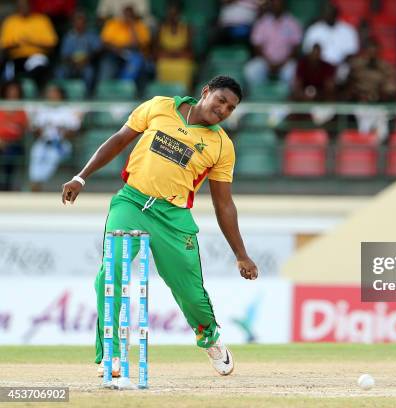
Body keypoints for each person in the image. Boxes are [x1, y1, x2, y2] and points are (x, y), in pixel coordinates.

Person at [61, 75, 258, 378]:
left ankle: (210, 338)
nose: (223, 110)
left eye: (230, 108)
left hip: (173, 216)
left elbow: (224, 204)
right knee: (110, 273)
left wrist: (241, 254)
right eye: (221, 100)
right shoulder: (159, 106)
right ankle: (111, 354)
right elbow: (118, 140)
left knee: (191, 292)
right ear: (205, 92)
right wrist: (80, 177)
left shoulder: (221, 145)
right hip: (132, 203)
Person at [29, 84, 82, 192]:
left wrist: (63, 132)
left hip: (61, 144)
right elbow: (35, 128)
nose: (51, 96)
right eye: (50, 93)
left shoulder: (68, 109)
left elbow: (74, 130)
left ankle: (38, 184)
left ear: (61, 95)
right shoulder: (43, 109)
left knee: (51, 156)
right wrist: (40, 130)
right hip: (44, 142)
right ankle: (34, 182)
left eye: (54, 93)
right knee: (36, 153)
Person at [0, 0, 58, 93]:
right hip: (16, 59)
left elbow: (52, 44)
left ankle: (40, 95)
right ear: (17, 7)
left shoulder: (41, 20)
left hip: (36, 57)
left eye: (26, 5)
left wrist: (31, 42)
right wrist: (18, 43)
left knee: (41, 67)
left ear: (30, 6)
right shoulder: (10, 22)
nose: (23, 8)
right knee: (7, 71)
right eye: (21, 6)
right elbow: (4, 46)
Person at [244, 0, 302, 88]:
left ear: (284, 5)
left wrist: (282, 63)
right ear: (271, 5)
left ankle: (286, 98)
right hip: (265, 61)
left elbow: (296, 47)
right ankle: (260, 95)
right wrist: (268, 63)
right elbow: (256, 46)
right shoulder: (262, 22)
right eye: (274, 4)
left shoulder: (292, 23)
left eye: (279, 3)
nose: (276, 6)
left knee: (292, 71)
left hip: (285, 62)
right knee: (251, 70)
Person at [302, 4, 359, 81]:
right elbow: (307, 52)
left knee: (347, 70)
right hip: (319, 66)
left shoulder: (348, 30)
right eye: (326, 13)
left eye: (331, 13)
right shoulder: (314, 30)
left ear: (336, 14)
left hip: (340, 67)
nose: (328, 15)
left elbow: (352, 53)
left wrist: (336, 65)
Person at [98, 6, 151, 86]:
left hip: (133, 53)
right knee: (107, 66)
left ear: (134, 16)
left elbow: (137, 45)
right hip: (113, 53)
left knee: (136, 60)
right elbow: (104, 43)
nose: (127, 17)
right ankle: (103, 89)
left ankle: (124, 86)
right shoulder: (113, 24)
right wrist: (116, 50)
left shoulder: (140, 26)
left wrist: (132, 27)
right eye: (126, 15)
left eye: (130, 15)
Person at [56, 11, 102, 96]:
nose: (80, 25)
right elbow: (64, 55)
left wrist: (87, 59)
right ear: (73, 23)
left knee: (89, 73)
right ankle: (61, 96)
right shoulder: (68, 37)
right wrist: (73, 62)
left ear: (85, 23)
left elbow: (98, 50)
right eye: (77, 22)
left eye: (82, 22)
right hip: (71, 64)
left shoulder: (92, 35)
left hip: (87, 64)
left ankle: (87, 96)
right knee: (60, 72)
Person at [153, 1, 194, 89]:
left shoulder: (187, 28)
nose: (172, 17)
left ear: (180, 14)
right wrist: (170, 54)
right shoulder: (161, 28)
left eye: (175, 14)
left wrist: (176, 54)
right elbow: (157, 48)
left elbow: (190, 49)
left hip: (181, 58)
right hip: (166, 57)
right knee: (161, 64)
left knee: (185, 66)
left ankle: (183, 94)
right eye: (170, 14)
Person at [0, 80, 28, 191]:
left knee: (10, 153)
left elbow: (24, 131)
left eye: (15, 91)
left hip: (14, 144)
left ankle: (6, 186)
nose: (12, 93)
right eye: (10, 90)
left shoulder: (22, 110)